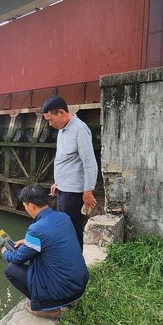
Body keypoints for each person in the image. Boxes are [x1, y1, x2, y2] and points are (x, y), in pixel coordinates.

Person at [2, 183, 89, 318]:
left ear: (31, 206)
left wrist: (5, 252)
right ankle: (72, 301)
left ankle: (47, 307)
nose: (26, 209)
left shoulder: (36, 229)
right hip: (79, 286)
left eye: (25, 206)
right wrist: (25, 241)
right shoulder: (64, 217)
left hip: (61, 290)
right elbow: (53, 238)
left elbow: (19, 258)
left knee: (11, 269)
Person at [41, 95, 98, 250]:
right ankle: (68, 262)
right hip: (63, 189)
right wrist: (57, 182)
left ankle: (76, 265)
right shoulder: (62, 130)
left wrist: (88, 190)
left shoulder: (80, 130)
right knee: (65, 229)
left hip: (72, 192)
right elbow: (65, 160)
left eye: (51, 119)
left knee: (72, 230)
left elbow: (89, 162)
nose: (50, 124)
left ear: (61, 112)